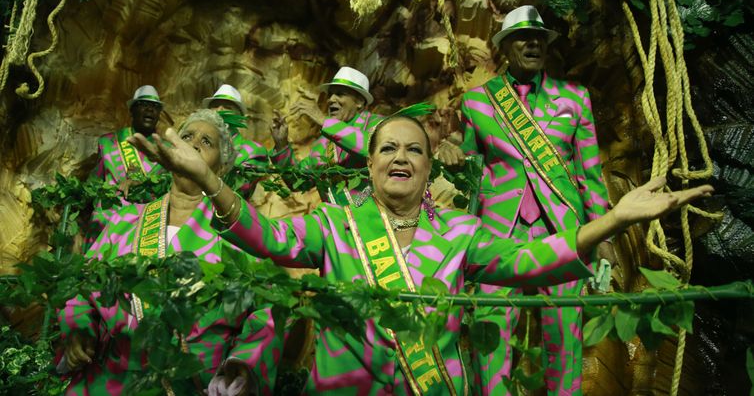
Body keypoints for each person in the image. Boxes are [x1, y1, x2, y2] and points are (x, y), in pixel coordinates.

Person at [129, 113, 712, 394]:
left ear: (429, 167)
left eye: (414, 150)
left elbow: (534, 260)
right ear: (371, 162)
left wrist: (612, 219)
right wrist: (210, 180)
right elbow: (267, 238)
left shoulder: (462, 233)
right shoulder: (335, 225)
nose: (400, 157)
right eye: (388, 148)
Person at [437, 4, 611, 394]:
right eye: (522, 37)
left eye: (539, 38)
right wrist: (451, 158)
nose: (533, 43)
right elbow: (471, 171)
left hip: (563, 228)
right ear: (505, 47)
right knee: (490, 326)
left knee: (565, 333)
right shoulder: (477, 102)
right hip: (498, 229)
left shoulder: (575, 98)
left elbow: (590, 175)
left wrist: (604, 238)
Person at [59, 110, 281, 396]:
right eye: (187, 136)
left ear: (222, 168)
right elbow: (82, 288)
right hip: (113, 379)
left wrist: (243, 364)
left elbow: (268, 311)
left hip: (191, 384)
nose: (194, 144)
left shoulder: (238, 235)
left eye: (207, 142)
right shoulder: (124, 221)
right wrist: (79, 329)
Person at [270, 66, 381, 205]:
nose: (330, 99)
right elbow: (298, 182)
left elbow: (375, 150)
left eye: (340, 94)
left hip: (374, 220)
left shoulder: (379, 125)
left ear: (359, 101)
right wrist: (281, 144)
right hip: (334, 223)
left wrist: (323, 120)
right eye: (330, 94)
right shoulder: (323, 143)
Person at [86, 85, 168, 250]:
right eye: (144, 105)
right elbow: (93, 183)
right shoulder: (109, 142)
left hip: (146, 222)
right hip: (108, 216)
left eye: (155, 107)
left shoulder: (167, 150)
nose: (150, 110)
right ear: (131, 110)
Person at [203, 84, 283, 199]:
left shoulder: (253, 151)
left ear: (239, 116)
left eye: (227, 107)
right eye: (215, 106)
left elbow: (237, 189)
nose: (219, 110)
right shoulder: (194, 145)